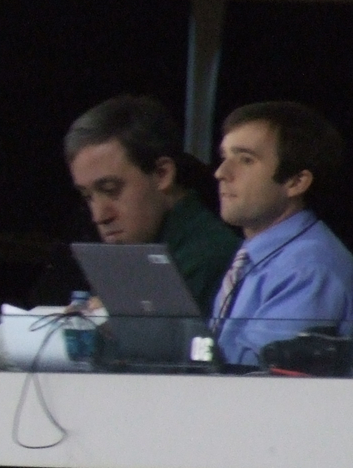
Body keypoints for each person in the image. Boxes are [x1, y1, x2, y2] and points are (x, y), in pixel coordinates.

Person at [64, 95, 240, 314]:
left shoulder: (209, 258)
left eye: (111, 189)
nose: (98, 216)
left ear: (162, 174)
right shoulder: (137, 249)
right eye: (87, 197)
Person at [211, 101, 353, 367]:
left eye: (245, 160)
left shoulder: (308, 269)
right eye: (224, 157)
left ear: (296, 182)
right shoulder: (257, 256)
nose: (221, 173)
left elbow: (258, 375)